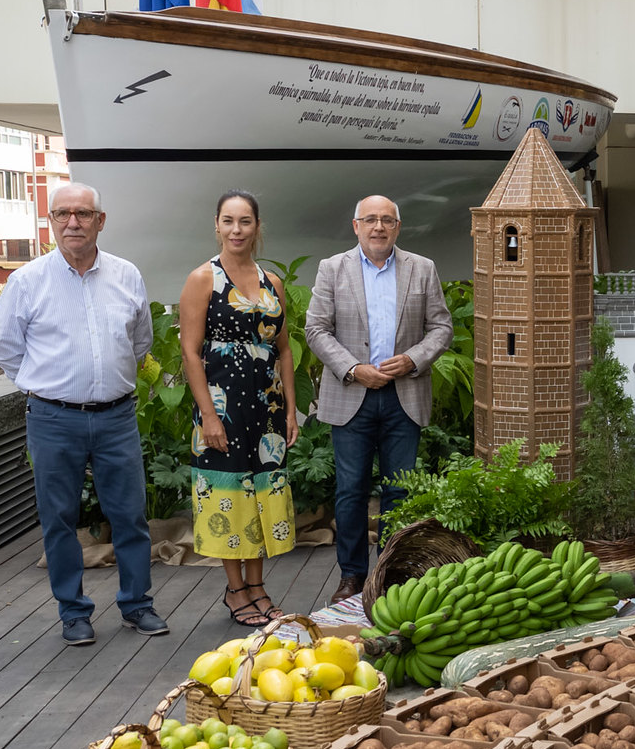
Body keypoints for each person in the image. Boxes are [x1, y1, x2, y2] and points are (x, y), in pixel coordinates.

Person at [0, 182, 167, 645]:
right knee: (59, 518)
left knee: (129, 515)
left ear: (100, 221)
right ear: (51, 221)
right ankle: (73, 612)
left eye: (83, 214)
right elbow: (4, 348)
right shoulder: (28, 281)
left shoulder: (126, 275)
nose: (73, 222)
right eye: (63, 214)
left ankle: (137, 605)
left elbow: (139, 341)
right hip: (52, 418)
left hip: (116, 416)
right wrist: (44, 385)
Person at [306, 195, 454, 603]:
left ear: (397, 227)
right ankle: (352, 577)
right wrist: (354, 369)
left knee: (400, 491)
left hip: (403, 395)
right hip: (351, 393)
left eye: (387, 220)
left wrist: (413, 359)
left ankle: (390, 574)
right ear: (356, 226)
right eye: (370, 220)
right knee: (351, 491)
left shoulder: (421, 269)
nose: (378, 227)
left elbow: (441, 328)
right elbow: (316, 329)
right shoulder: (332, 269)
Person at [178, 190, 299, 625]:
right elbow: (190, 352)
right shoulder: (202, 279)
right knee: (229, 494)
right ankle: (235, 590)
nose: (236, 230)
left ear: (257, 227)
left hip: (265, 409)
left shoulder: (273, 283)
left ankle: (258, 586)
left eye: (245, 221)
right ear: (216, 225)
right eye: (228, 221)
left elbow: (283, 349)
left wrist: (289, 410)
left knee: (263, 491)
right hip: (223, 408)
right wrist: (208, 414)